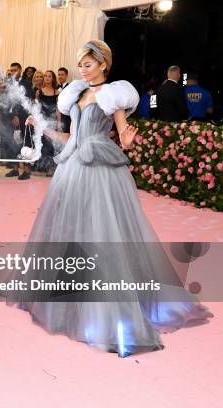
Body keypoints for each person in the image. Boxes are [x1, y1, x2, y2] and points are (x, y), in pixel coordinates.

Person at [19, 40, 212, 357]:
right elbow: (72, 136)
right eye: (80, 63)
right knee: (69, 231)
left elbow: (123, 135)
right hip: (72, 167)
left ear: (103, 64)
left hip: (100, 169)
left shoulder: (114, 95)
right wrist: (42, 127)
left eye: (88, 63)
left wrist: (128, 138)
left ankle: (107, 310)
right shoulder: (77, 95)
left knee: (102, 232)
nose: (83, 68)